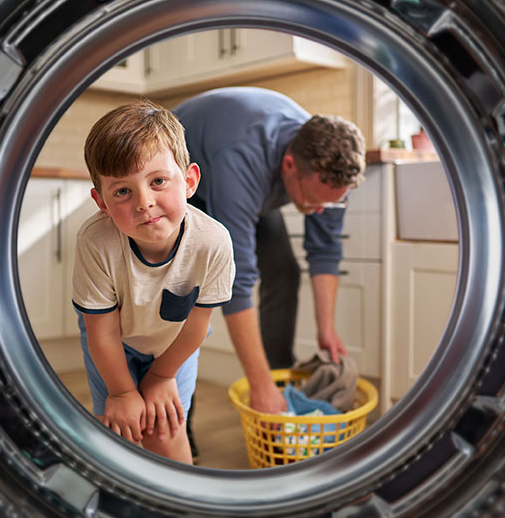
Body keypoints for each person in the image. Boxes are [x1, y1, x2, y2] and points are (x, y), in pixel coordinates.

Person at [175, 87, 365, 415]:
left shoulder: (329, 169)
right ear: (290, 165)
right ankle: (179, 419)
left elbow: (325, 248)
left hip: (249, 181)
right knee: (183, 291)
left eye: (331, 202)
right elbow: (237, 281)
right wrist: (256, 385)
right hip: (186, 183)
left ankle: (278, 386)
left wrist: (326, 328)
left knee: (283, 271)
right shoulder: (243, 157)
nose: (322, 210)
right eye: (314, 201)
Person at [72, 99, 235, 464]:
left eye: (158, 181)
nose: (144, 203)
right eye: (122, 191)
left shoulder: (212, 241)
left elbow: (197, 325)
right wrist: (121, 393)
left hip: (175, 347)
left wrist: (162, 376)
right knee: (119, 431)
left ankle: (183, 513)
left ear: (190, 181)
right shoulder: (96, 241)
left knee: (166, 432)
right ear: (101, 201)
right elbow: (101, 332)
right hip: (114, 344)